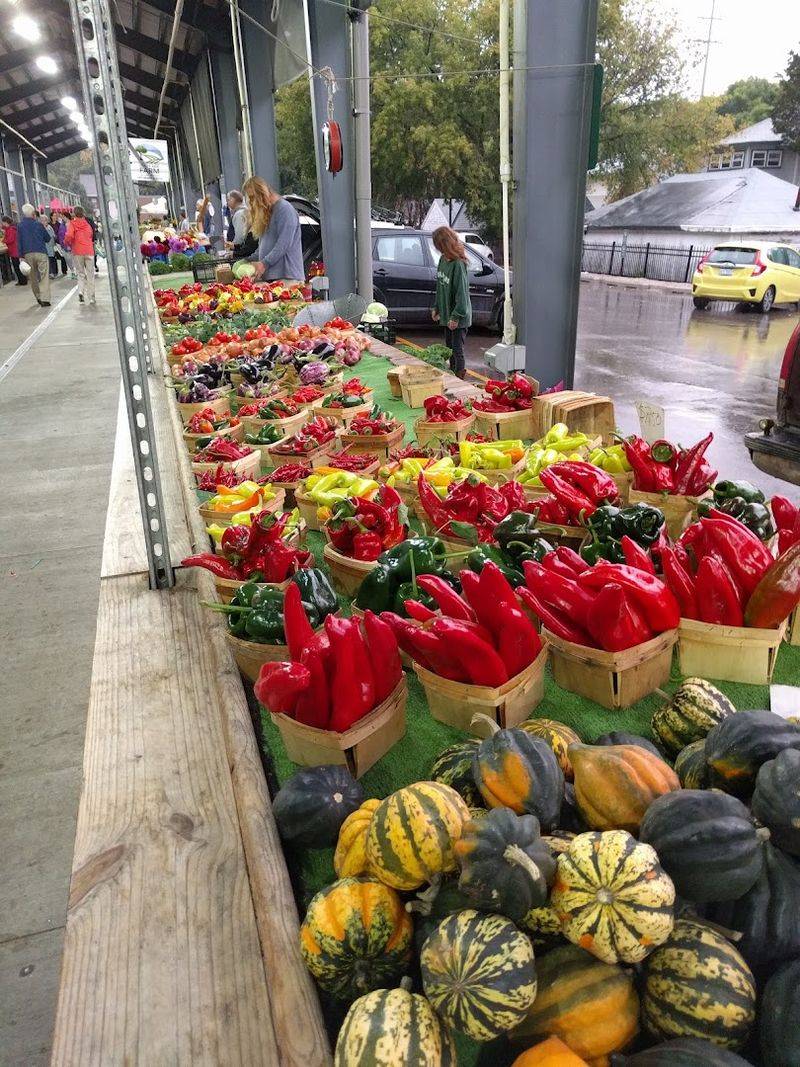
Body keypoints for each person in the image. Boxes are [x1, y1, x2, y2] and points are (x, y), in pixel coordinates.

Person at [242, 176, 304, 282]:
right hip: (272, 278)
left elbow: (283, 245)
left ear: (262, 194)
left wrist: (264, 263)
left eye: (252, 198)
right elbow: (263, 247)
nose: (251, 203)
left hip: (287, 278)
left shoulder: (284, 209)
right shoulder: (267, 212)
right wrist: (247, 260)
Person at [430, 225, 472, 379]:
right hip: (447, 315)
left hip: (458, 317)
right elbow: (440, 286)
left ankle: (459, 378)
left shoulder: (458, 264)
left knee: (456, 349)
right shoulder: (442, 260)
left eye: (438, 246)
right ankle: (452, 375)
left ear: (444, 245)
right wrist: (437, 307)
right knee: (449, 348)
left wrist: (455, 316)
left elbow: (462, 293)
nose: (438, 250)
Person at [17, 203, 51, 306]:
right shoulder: (39, 224)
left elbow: (19, 242)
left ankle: (38, 297)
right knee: (44, 275)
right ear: (33, 213)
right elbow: (48, 238)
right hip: (41, 252)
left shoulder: (20, 226)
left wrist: (21, 256)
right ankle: (45, 299)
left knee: (33, 277)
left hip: (27, 254)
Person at [65, 206, 95, 304]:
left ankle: (81, 292)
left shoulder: (72, 224)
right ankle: (91, 297)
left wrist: (67, 242)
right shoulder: (87, 224)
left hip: (77, 251)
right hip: (89, 250)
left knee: (81, 273)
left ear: (74, 213)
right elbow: (91, 235)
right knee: (90, 274)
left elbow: (69, 235)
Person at [225, 189, 256, 256]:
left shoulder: (239, 213)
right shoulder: (240, 212)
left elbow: (240, 236)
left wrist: (235, 250)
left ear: (233, 199)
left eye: (228, 199)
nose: (227, 202)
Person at [2, 215, 26, 285]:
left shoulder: (11, 229)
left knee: (17, 267)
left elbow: (10, 239)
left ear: (6, 222)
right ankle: (22, 280)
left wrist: (4, 241)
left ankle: (22, 281)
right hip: (15, 250)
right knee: (18, 266)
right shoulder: (12, 228)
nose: (2, 224)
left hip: (14, 251)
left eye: (3, 222)